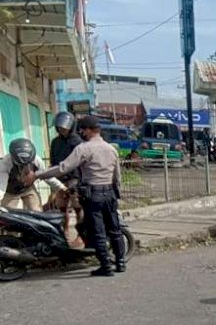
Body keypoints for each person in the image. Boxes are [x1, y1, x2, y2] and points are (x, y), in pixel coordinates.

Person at [26, 116, 126, 277]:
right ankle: (120, 263)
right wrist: (116, 195)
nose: (81, 133)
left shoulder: (84, 148)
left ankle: (106, 267)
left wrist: (38, 174)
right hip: (110, 194)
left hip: (93, 195)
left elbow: (63, 167)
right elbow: (117, 177)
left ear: (88, 130)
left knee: (99, 231)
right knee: (115, 229)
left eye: (83, 130)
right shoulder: (111, 149)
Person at [1, 138, 66, 210]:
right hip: (10, 192)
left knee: (37, 211)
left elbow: (47, 177)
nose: (24, 167)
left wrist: (61, 187)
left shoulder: (37, 161)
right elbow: (1, 187)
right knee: (7, 216)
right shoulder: (5, 164)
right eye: (21, 165)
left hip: (28, 189)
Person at [49, 111, 84, 240]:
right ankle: (64, 232)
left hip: (74, 179)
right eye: (59, 127)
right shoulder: (55, 142)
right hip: (60, 179)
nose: (61, 129)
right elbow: (53, 162)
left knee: (77, 206)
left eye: (64, 127)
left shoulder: (77, 142)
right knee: (61, 206)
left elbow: (80, 163)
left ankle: (81, 231)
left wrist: (77, 180)